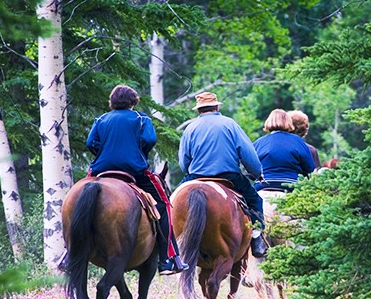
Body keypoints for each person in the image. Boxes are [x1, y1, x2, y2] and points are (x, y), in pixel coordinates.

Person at [86, 84, 188, 275]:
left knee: (77, 199)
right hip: (134, 170)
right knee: (163, 204)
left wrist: (103, 153)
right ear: (133, 101)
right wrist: (138, 152)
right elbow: (150, 140)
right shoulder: (142, 119)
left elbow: (90, 142)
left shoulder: (101, 119)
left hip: (102, 169)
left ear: (112, 101)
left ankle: (68, 251)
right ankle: (167, 259)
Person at [178, 91, 268, 258]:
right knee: (255, 200)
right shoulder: (230, 124)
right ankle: (257, 238)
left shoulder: (190, 128)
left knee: (172, 203)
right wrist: (257, 173)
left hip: (196, 176)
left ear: (199, 110)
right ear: (217, 106)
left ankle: (170, 245)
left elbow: (184, 162)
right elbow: (247, 154)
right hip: (229, 177)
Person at [253, 109, 315, 192]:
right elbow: (309, 169)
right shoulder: (298, 141)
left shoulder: (258, 143)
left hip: (263, 185)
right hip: (291, 186)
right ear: (288, 122)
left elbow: (251, 168)